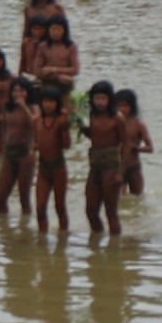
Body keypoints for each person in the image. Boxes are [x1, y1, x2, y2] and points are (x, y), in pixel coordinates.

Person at [81, 81, 126, 235]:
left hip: (111, 165)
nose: (100, 102)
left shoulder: (117, 118)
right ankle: (97, 239)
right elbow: (95, 135)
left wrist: (121, 173)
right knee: (90, 210)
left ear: (110, 99)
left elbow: (126, 145)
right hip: (95, 164)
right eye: (97, 98)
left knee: (110, 211)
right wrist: (81, 126)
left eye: (103, 98)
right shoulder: (91, 115)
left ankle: (115, 246)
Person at [0, 77, 36, 215]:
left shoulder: (32, 108)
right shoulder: (8, 108)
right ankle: (3, 225)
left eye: (22, 91)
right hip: (9, 153)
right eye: (15, 91)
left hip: (25, 154)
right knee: (0, 198)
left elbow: (35, 123)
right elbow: (3, 127)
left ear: (28, 92)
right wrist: (3, 140)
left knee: (24, 198)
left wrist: (23, 106)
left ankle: (25, 225)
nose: (17, 94)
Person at [34, 86, 70, 232]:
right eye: (45, 101)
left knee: (59, 206)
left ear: (57, 103)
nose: (48, 105)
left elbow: (66, 145)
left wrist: (65, 128)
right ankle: (42, 238)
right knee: (40, 207)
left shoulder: (60, 121)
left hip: (58, 168)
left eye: (52, 102)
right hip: (43, 168)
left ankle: (63, 236)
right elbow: (35, 142)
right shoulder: (37, 121)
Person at [115, 89, 153, 196]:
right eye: (119, 106)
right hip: (117, 167)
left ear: (132, 106)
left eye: (125, 106)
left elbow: (150, 148)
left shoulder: (138, 125)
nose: (122, 109)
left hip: (134, 167)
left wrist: (136, 148)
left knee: (137, 197)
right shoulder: (113, 123)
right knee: (119, 198)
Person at [32, 15, 80, 99]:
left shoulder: (71, 47)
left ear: (64, 30)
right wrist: (56, 76)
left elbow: (75, 70)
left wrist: (54, 69)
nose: (55, 32)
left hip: (64, 85)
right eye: (53, 29)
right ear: (48, 30)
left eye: (58, 29)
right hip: (47, 84)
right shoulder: (43, 46)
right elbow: (37, 71)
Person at [19, 13, 49, 79]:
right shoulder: (26, 43)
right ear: (31, 29)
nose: (38, 32)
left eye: (40, 29)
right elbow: (22, 64)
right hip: (29, 75)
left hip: (44, 77)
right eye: (35, 29)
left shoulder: (48, 44)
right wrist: (19, 77)